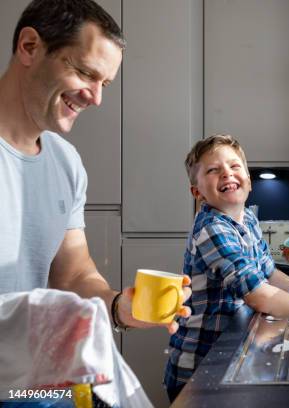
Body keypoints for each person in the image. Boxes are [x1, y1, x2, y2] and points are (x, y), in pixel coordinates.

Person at [0, 0, 191, 333]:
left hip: (33, 380)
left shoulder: (66, 163)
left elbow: (73, 274)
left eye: (104, 83)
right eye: (86, 73)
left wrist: (118, 307)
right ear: (29, 47)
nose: (96, 98)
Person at [164, 135, 289, 400]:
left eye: (233, 166)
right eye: (213, 170)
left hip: (228, 352)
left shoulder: (249, 220)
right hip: (198, 367)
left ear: (249, 181)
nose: (226, 173)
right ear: (197, 192)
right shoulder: (211, 228)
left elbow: (268, 273)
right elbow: (257, 294)